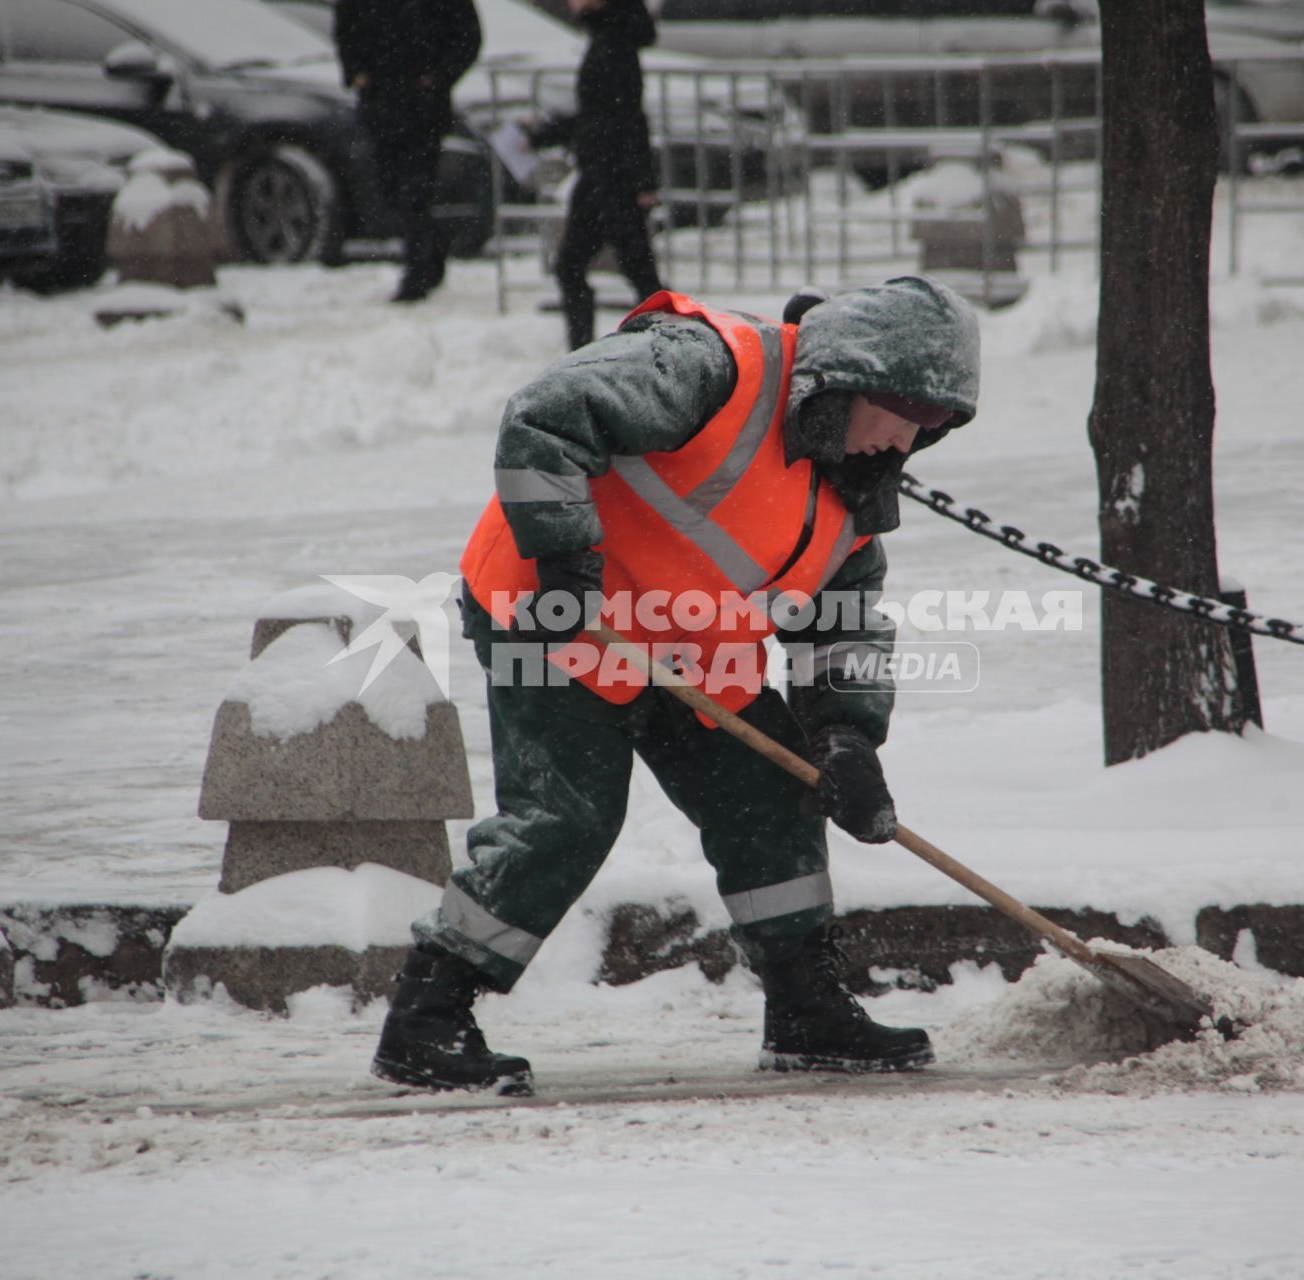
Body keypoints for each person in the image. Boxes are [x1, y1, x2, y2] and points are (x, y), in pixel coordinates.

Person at [374, 276, 981, 1095]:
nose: (911, 441)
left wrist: (845, 736)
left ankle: (804, 1008)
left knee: (770, 793)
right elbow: (546, 414)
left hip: (689, 648)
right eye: (912, 414)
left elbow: (843, 617)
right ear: (851, 381)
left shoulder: (852, 478)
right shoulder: (707, 367)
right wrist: (561, 556)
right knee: (569, 816)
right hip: (560, 616)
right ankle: (426, 1016)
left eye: (936, 426)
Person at [524, 0, 664, 350]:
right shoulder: (608, 36)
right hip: (604, 172)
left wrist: (643, 180)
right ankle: (585, 352)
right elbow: (599, 114)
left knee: (591, 268)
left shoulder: (614, 41)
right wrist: (543, 135)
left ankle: (588, 351)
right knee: (622, 271)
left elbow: (626, 117)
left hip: (611, 175)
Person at [333, 0, 481, 302]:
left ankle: (416, 274)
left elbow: (467, 35)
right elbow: (345, 26)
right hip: (381, 102)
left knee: (416, 193)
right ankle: (432, 247)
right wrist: (356, 70)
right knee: (391, 192)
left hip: (423, 108)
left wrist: (439, 76)